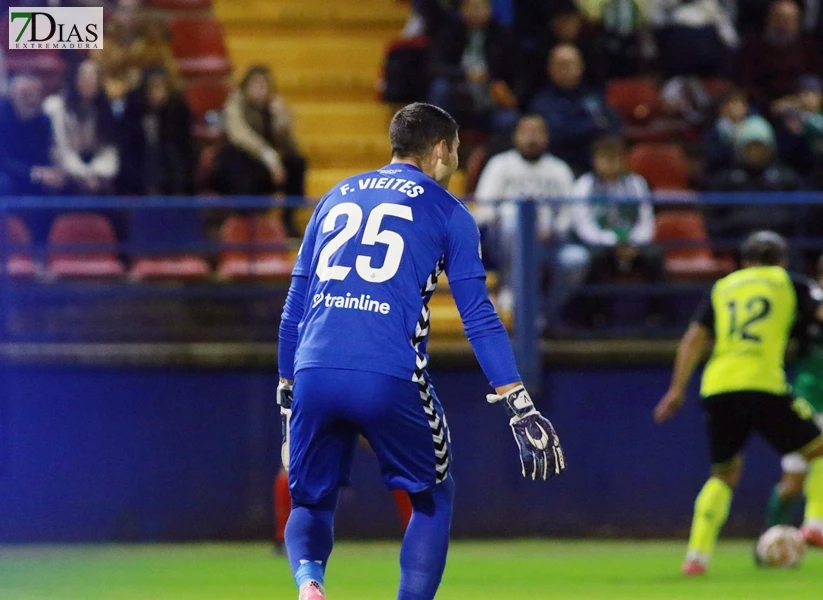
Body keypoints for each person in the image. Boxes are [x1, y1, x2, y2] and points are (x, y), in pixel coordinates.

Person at [276, 102, 566, 600]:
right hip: (387, 373)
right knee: (433, 496)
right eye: (454, 152)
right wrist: (519, 404)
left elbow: (292, 310)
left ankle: (309, 583)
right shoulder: (449, 212)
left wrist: (287, 390)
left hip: (313, 370)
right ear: (439, 150)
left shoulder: (334, 196)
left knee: (310, 499)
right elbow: (478, 316)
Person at [654, 231, 823, 575]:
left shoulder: (724, 286)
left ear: (743, 261)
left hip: (718, 385)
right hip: (764, 382)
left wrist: (676, 390)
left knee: (724, 473)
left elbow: (693, 338)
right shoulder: (791, 283)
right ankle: (815, 523)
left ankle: (696, 558)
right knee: (818, 450)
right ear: (782, 260)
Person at [474, 114, 589, 325]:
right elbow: (484, 208)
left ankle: (542, 310)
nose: (532, 138)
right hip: (504, 239)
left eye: (538, 132)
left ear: (547, 137)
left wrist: (554, 231)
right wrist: (506, 221)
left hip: (549, 241)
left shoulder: (559, 169)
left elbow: (569, 212)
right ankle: (512, 290)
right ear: (516, 136)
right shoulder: (500, 164)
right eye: (526, 132)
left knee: (576, 259)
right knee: (513, 227)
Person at [572, 135, 665, 326]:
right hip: (600, 243)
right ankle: (595, 317)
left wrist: (634, 242)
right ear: (595, 161)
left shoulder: (636, 183)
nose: (611, 163)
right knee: (594, 258)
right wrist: (612, 242)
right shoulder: (585, 184)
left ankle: (657, 315)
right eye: (605, 158)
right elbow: (583, 224)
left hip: (633, 242)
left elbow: (646, 220)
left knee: (655, 255)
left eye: (616, 158)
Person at [763, 254, 823, 533]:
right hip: (808, 398)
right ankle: (771, 534)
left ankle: (814, 524)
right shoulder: (806, 298)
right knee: (793, 480)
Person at [211, 65, 307, 237]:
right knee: (239, 160)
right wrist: (269, 157)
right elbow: (240, 136)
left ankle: (288, 218)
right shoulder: (235, 103)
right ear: (245, 86)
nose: (260, 89)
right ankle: (245, 223)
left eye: (264, 85)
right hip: (238, 168)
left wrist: (281, 120)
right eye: (255, 84)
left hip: (267, 170)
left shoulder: (274, 108)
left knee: (297, 163)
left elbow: (291, 147)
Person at [427, 0, 518, 136]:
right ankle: (434, 143)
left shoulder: (502, 34)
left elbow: (514, 71)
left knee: (508, 119)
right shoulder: (449, 31)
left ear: (490, 10)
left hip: (490, 93)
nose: (475, 12)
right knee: (440, 88)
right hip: (458, 91)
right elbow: (434, 66)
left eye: (480, 7)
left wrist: (504, 89)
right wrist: (464, 74)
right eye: (470, 7)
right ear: (462, 10)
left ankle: (489, 155)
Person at [528, 44, 621, 173]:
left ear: (581, 67)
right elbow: (556, 134)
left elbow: (612, 125)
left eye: (572, 64)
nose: (567, 69)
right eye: (562, 64)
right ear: (551, 69)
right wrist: (592, 126)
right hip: (557, 168)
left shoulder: (593, 96)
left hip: (595, 169)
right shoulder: (541, 101)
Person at [116, 66, 197, 196]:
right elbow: (127, 145)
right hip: (139, 168)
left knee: (170, 153)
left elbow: (185, 146)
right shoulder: (133, 108)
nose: (158, 93)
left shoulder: (178, 109)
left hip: (171, 168)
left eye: (161, 87)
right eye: (154, 87)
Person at [43, 59, 119, 194]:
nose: (90, 81)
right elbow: (61, 151)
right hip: (66, 172)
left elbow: (109, 151)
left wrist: (95, 173)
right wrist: (84, 174)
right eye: (85, 76)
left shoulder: (108, 109)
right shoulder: (55, 107)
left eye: (95, 76)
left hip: (96, 173)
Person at [737, 0, 822, 114]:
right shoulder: (752, 47)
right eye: (779, 18)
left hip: (800, 105)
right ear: (769, 18)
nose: (783, 24)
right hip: (761, 107)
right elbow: (746, 83)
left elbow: (816, 79)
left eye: (789, 19)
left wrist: (796, 101)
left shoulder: (809, 48)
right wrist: (770, 104)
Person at [0, 73, 65, 196]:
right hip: (8, 174)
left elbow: (44, 156)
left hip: (33, 175)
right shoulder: (2, 117)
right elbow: (2, 160)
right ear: (12, 95)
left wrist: (51, 172)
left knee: (59, 183)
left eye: (35, 93)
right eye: (25, 94)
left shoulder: (44, 121)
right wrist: (33, 173)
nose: (31, 99)